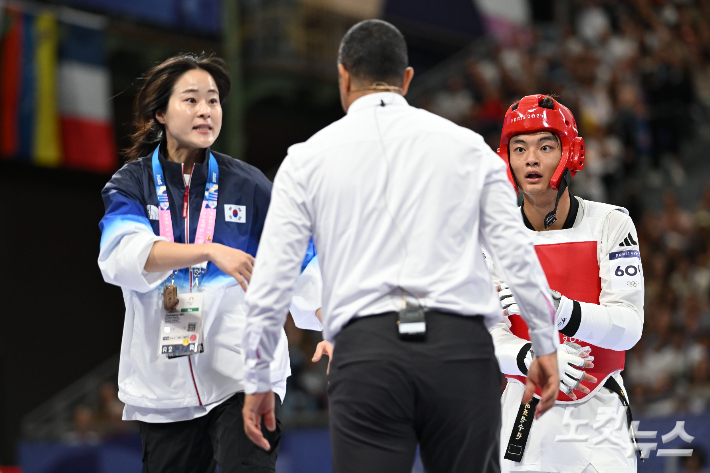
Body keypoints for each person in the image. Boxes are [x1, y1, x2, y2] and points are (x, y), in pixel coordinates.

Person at [239, 20, 561, 473]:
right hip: (460, 351)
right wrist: (545, 343)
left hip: (367, 355)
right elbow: (516, 255)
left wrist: (257, 378)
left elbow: (271, 282)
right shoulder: (471, 150)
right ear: (407, 79)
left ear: (343, 77)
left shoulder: (306, 159)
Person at [97, 53, 321, 473]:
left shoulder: (249, 184)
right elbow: (121, 256)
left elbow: (301, 260)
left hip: (243, 373)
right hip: (163, 390)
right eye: (191, 100)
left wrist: (335, 323)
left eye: (213, 101)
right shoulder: (132, 184)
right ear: (160, 112)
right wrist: (208, 250)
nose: (205, 110)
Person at [489, 94, 644, 473]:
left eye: (545, 146)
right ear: (505, 157)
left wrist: (558, 310)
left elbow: (629, 328)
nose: (530, 159)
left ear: (570, 152)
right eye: (519, 147)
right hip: (523, 412)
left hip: (599, 414)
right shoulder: (490, 236)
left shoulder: (611, 223)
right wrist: (533, 357)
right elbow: (484, 334)